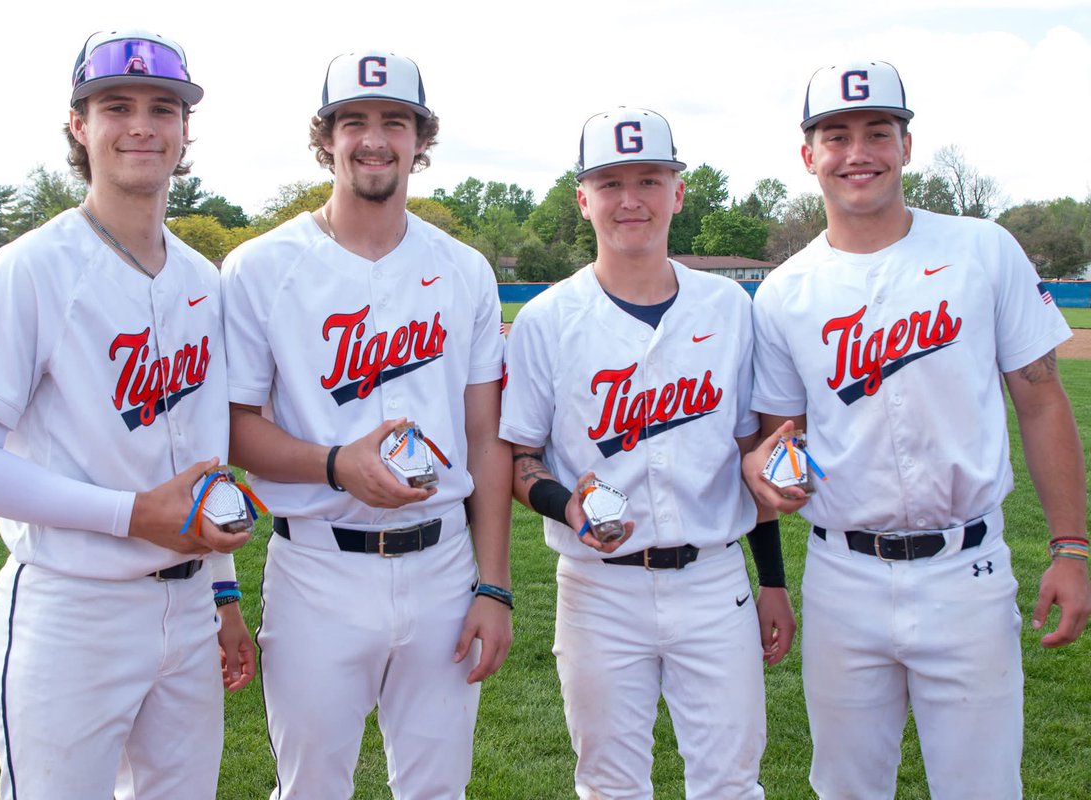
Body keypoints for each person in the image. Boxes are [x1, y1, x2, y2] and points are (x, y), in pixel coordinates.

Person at [745, 60, 1091, 799]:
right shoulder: (783, 292)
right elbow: (781, 439)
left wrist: (1069, 547)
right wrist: (769, 473)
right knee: (845, 786)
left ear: (907, 145)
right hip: (843, 575)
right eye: (835, 135)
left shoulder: (981, 248)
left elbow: (1040, 399)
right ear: (808, 156)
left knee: (983, 787)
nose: (858, 152)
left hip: (966, 571)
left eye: (879, 131)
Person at [0, 29, 254, 799]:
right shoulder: (30, 269)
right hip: (72, 611)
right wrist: (131, 513)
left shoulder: (204, 278)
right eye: (117, 105)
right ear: (80, 125)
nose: (141, 125)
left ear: (184, 131)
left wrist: (224, 592)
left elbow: (204, 465)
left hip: (187, 609)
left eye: (162, 108)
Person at [221, 49, 512, 799]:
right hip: (317, 566)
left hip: (445, 567)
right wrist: (332, 464)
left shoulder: (464, 269)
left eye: (395, 121)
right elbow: (232, 429)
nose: (374, 139)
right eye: (353, 122)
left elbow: (486, 439)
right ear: (324, 139)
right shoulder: (260, 267)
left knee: (437, 790)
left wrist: (495, 586)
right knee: (312, 788)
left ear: (421, 139)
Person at [500, 107, 795, 799]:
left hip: (714, 580)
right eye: (609, 182)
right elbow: (518, 457)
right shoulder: (546, 319)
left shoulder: (729, 309)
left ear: (678, 191)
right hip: (598, 588)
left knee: (731, 783)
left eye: (649, 179)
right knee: (609, 785)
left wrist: (773, 579)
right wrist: (561, 502)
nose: (630, 199)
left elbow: (751, 451)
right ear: (583, 198)